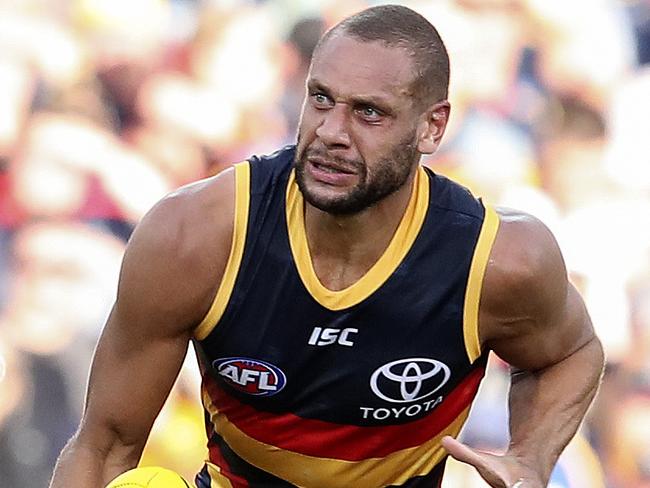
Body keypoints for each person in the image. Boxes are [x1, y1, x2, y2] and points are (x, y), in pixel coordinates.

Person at [49, 5, 604, 488]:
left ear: (432, 129)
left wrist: (530, 458)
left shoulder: (498, 259)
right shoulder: (194, 235)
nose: (331, 132)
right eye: (321, 99)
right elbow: (103, 444)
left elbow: (572, 353)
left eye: (368, 112)